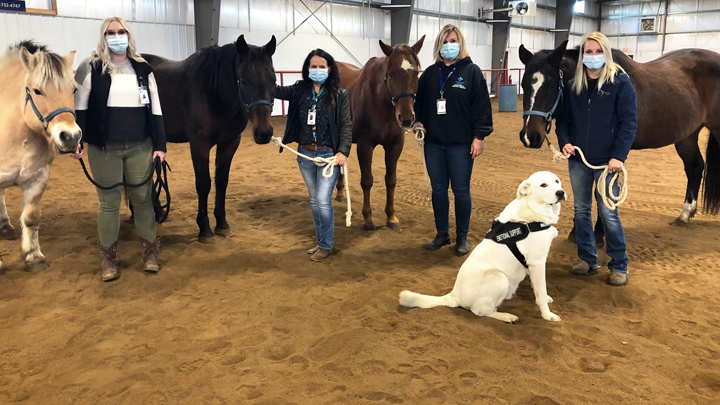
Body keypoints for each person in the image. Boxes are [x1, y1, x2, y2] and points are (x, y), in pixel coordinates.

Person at [72, 16, 167, 282]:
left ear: (128, 34)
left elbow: (155, 108)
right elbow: (80, 109)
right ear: (104, 36)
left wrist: (160, 145)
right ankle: (109, 260)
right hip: (104, 148)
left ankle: (150, 254)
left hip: (140, 145)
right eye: (111, 32)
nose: (117, 36)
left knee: (143, 199)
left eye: (121, 31)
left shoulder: (143, 68)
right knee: (109, 203)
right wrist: (77, 141)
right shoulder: (90, 67)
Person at [556, 31, 638, 287]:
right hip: (579, 160)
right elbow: (563, 121)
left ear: (606, 53)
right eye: (588, 52)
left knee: (608, 213)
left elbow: (629, 122)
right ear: (582, 56)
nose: (592, 56)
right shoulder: (573, 87)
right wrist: (565, 141)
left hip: (607, 164)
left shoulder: (620, 83)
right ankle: (588, 260)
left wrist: (619, 156)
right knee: (581, 212)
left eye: (597, 51)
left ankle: (619, 265)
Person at [414, 24, 493, 256]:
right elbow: (418, 105)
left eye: (453, 41)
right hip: (434, 144)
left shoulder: (472, 72)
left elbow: (481, 107)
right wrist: (418, 121)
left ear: (460, 44)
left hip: (461, 144)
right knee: (438, 190)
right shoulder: (429, 73)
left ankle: (462, 236)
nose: (449, 45)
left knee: (461, 190)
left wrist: (478, 136)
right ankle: (441, 233)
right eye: (446, 41)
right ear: (439, 44)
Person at [275, 49, 352, 262]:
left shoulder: (341, 95)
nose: (317, 70)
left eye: (322, 66)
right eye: (313, 66)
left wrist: (343, 151)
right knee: (314, 200)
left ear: (329, 69)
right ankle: (320, 242)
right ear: (307, 68)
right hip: (305, 154)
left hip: (328, 156)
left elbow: (346, 124)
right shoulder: (299, 90)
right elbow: (274, 90)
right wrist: (261, 67)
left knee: (322, 200)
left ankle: (325, 245)